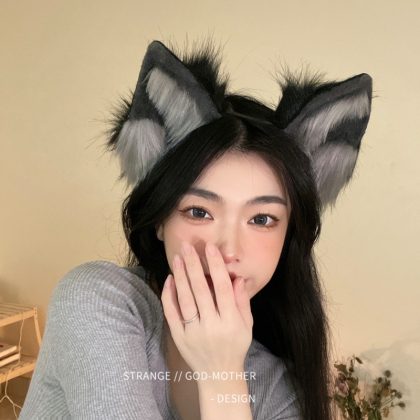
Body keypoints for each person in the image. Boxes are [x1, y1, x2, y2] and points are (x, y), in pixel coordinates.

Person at [19, 38, 372, 420]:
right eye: (199, 212)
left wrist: (224, 373)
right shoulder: (99, 300)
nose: (228, 249)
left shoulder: (277, 386)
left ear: (288, 236)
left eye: (262, 219)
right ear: (160, 220)